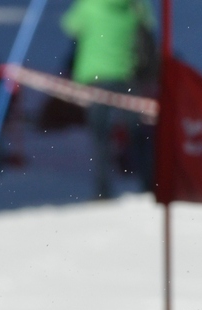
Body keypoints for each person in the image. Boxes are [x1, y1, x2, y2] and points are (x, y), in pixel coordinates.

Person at [60, 0, 153, 198]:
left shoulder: (88, 4)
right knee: (137, 134)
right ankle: (148, 185)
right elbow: (149, 27)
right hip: (127, 74)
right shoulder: (135, 4)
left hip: (95, 76)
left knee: (100, 137)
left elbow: (70, 26)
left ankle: (103, 191)